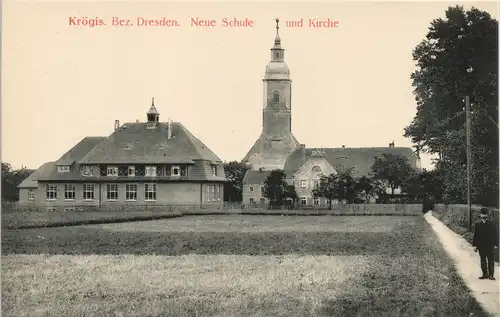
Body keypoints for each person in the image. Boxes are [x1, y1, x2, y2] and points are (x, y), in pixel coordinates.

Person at [472, 208, 498, 280]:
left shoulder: (491, 224)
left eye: (485, 214)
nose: (484, 216)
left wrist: (495, 244)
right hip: (481, 246)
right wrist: (475, 246)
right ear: (480, 215)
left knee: (491, 260)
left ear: (487, 215)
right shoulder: (478, 224)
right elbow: (476, 235)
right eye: (483, 214)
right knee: (482, 260)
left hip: (490, 246)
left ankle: (491, 275)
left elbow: (495, 235)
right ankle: (485, 274)